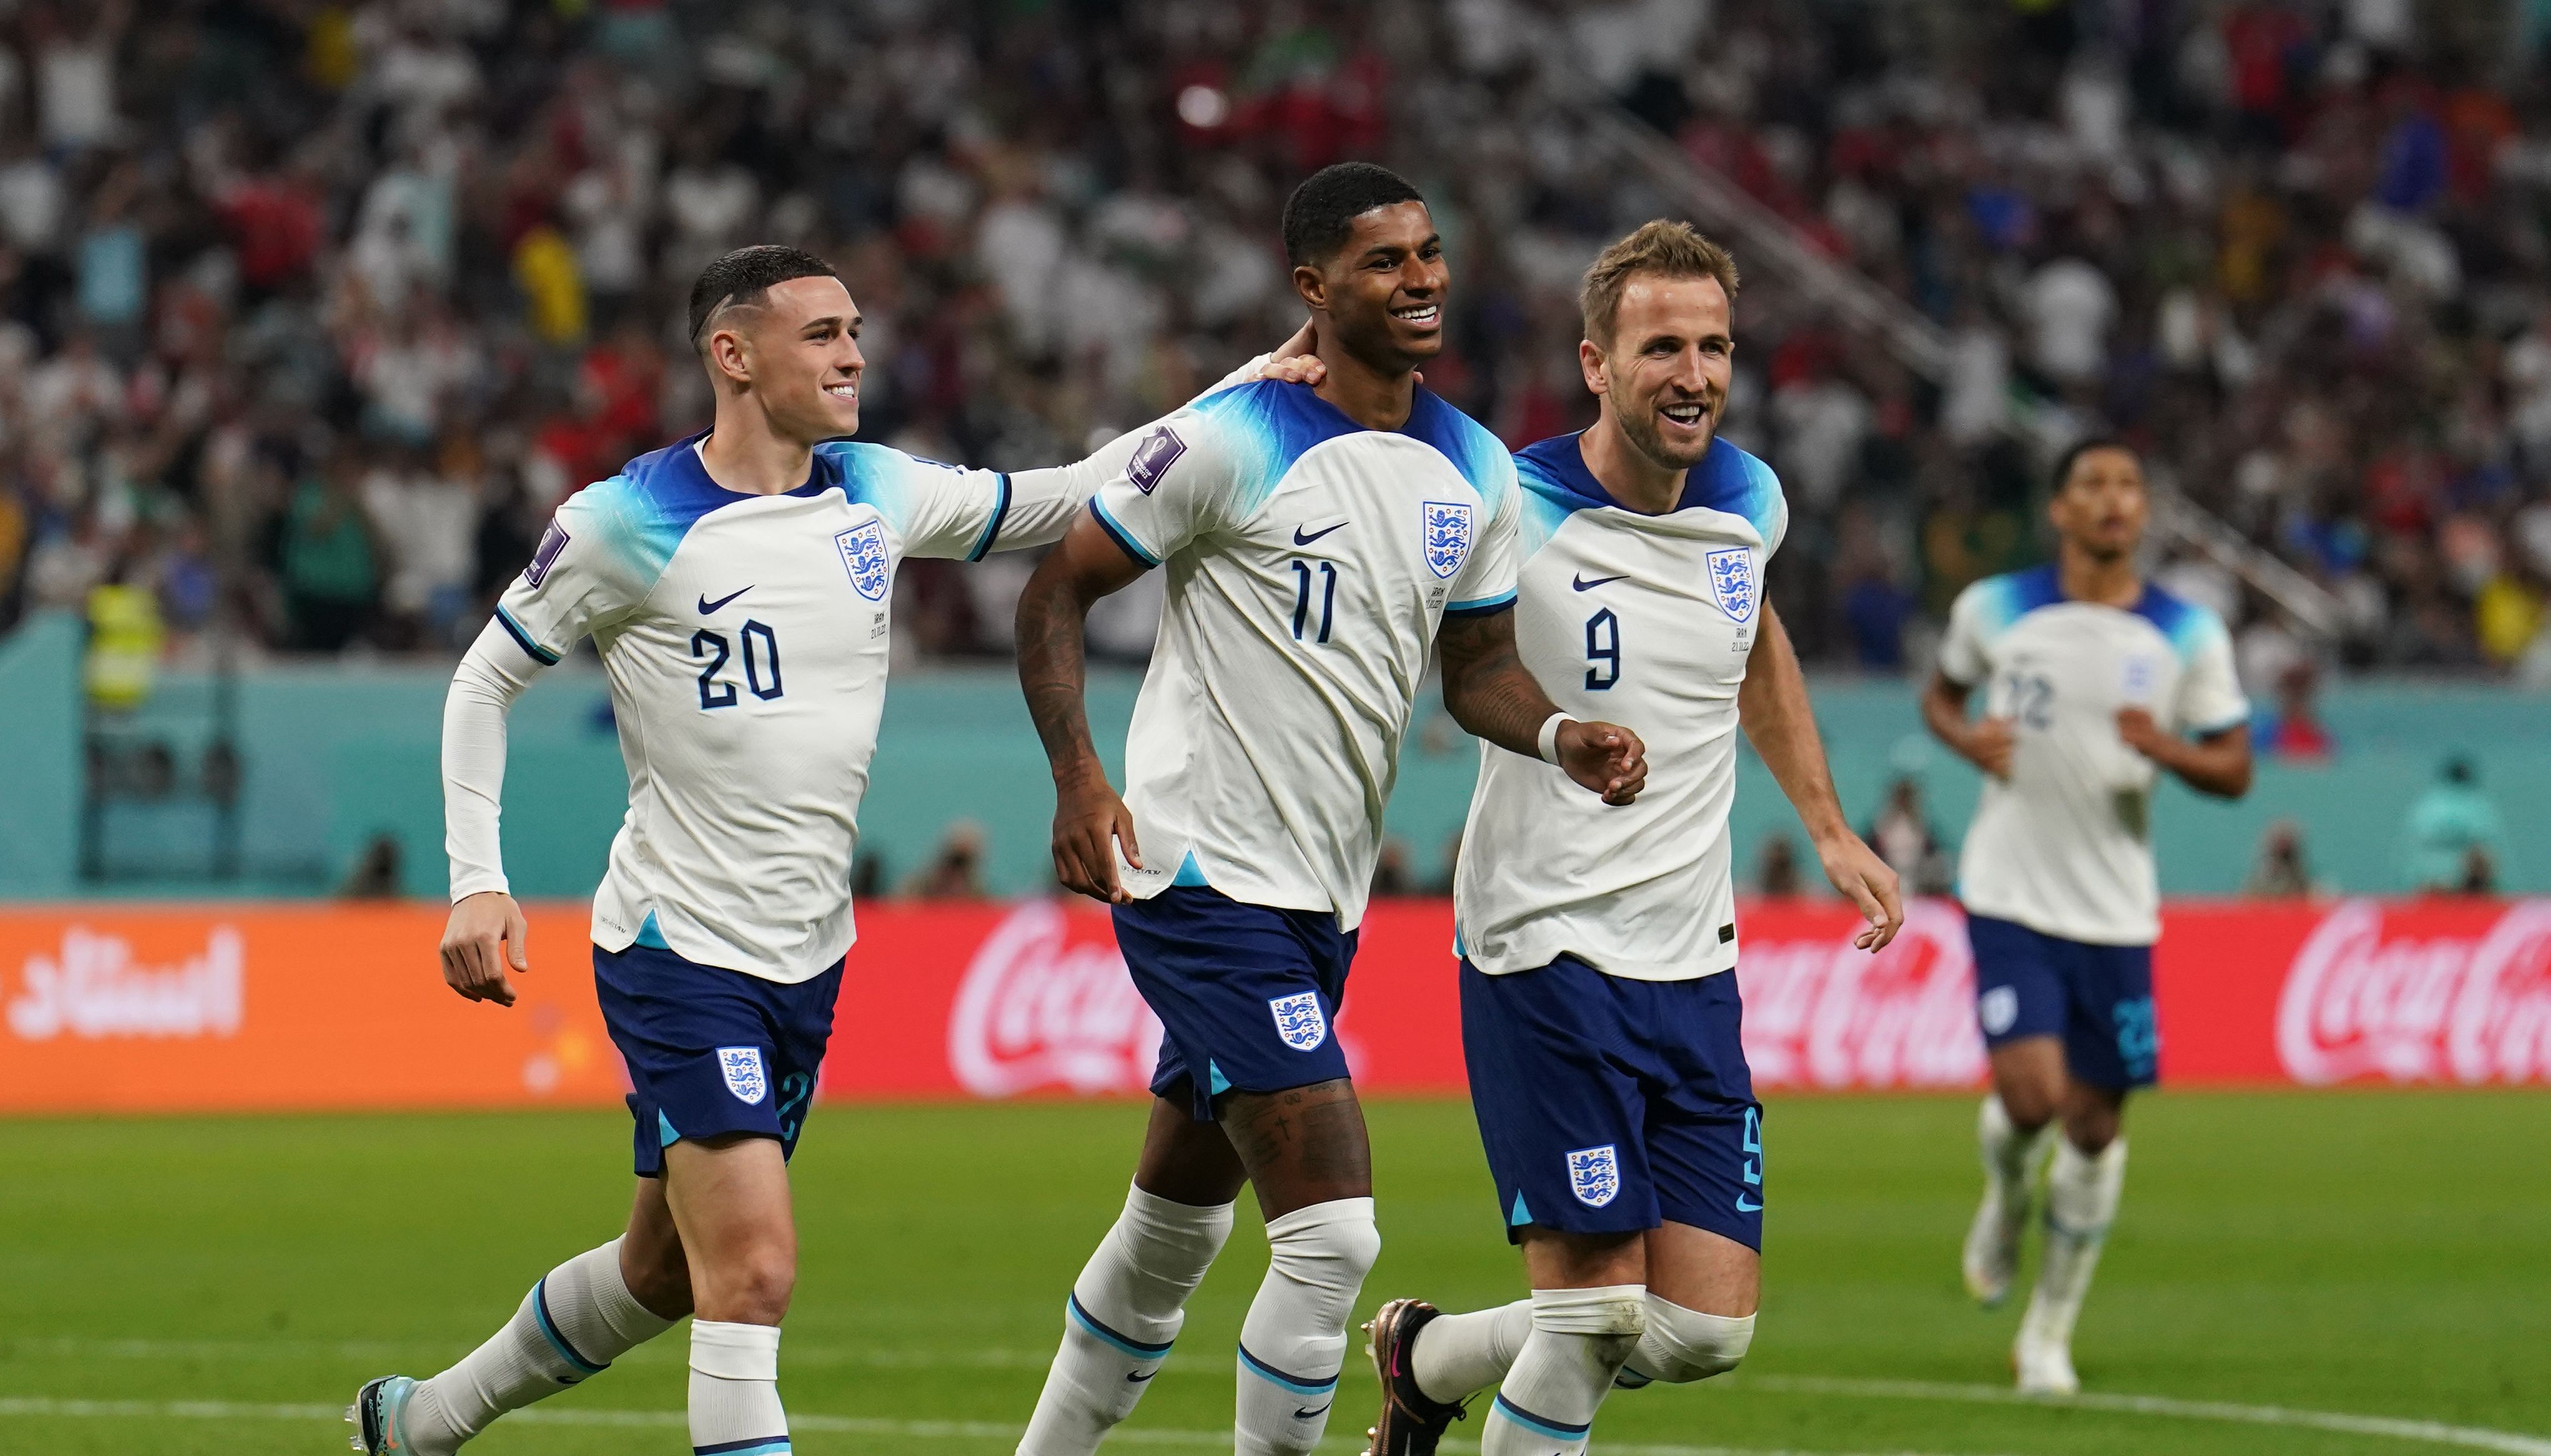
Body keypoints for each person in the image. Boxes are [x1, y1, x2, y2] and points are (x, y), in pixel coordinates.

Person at [348, 245, 1095, 1456]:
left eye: (854, 329)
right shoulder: (622, 522)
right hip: (677, 946)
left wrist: (1239, 402)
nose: (852, 353)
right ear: (732, 356)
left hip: (807, 955)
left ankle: (420, 1423)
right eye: (820, 334)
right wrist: (475, 882)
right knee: (750, 1274)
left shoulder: (876, 492)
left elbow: (1058, 496)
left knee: (662, 1269)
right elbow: (484, 682)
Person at [1006, 162, 1647, 1456]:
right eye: (1382, 261)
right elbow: (1054, 592)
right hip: (1195, 875)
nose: (1420, 279)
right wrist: (1081, 777)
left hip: (1318, 897)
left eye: (1427, 252)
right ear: (1311, 288)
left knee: (1171, 1230)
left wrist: (1561, 731)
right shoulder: (1234, 439)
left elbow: (1473, 674)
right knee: (1333, 1233)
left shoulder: (1472, 468)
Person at [1257, 220, 1903, 1456]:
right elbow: (1444, 636)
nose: (1694, 374)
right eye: (1661, 346)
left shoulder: (1748, 500)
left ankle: (1426, 1356)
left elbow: (1752, 638)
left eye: (1713, 346)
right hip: (1543, 948)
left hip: (1690, 960)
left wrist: (1826, 823)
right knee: (1596, 1311)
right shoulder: (1511, 495)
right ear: (1597, 363)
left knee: (1701, 1333)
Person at [1920, 437, 2253, 1395]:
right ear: (2060, 509)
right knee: (2032, 1099)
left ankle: (2047, 1334)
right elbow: (1941, 694)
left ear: (2144, 511)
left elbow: (2235, 766)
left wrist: (2170, 750)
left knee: (2097, 1126)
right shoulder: (1995, 609)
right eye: (2094, 486)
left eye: (2129, 486)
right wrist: (1966, 737)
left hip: (2115, 907)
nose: (2114, 501)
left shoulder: (2188, 633)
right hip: (2010, 889)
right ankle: (2008, 1196)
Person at [2400, 754, 2504, 893]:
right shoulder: (2476, 803)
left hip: (2427, 877)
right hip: (2464, 879)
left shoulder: (2427, 804)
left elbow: (2413, 842)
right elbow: (2484, 840)